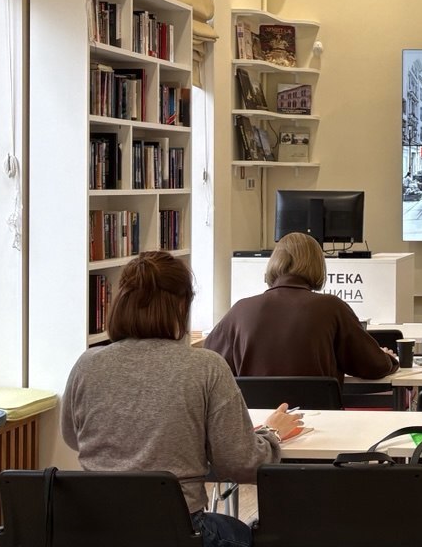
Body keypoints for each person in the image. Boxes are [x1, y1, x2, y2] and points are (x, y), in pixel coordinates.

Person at [61, 252, 301, 547]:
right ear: (181, 305)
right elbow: (240, 463)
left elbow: (73, 438)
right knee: (255, 533)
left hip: (96, 530)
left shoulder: (86, 364)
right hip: (178, 529)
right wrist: (272, 432)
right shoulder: (205, 367)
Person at [206, 232, 398, 385]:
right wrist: (388, 359)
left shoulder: (241, 310)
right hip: (320, 415)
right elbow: (372, 366)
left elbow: (210, 362)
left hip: (258, 418)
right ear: (318, 265)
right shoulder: (332, 308)